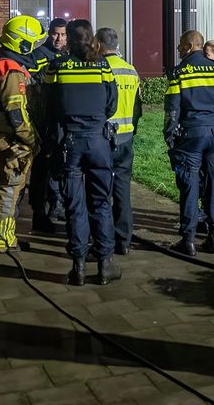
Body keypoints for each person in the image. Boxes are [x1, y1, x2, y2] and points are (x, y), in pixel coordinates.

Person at [44, 19, 119, 285]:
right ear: (91, 39)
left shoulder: (58, 66)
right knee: (100, 203)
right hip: (99, 141)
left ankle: (78, 267)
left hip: (70, 142)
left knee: (75, 206)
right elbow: (112, 104)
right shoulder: (103, 65)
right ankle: (105, 265)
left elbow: (47, 105)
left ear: (69, 40)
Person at [163, 30, 214, 256]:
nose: (178, 49)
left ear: (191, 45)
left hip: (190, 135)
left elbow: (172, 109)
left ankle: (189, 240)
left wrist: (170, 136)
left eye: (181, 45)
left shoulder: (180, 72)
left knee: (190, 185)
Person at [0, 15, 46, 254]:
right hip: (10, 137)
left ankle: (6, 235)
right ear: (22, 43)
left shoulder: (6, 61)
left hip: (4, 133)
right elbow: (15, 111)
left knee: (10, 185)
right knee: (9, 187)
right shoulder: (10, 67)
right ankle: (1, 238)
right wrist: (31, 139)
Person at [96, 27, 141, 255]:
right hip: (126, 137)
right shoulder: (131, 70)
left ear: (99, 45)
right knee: (122, 190)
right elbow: (137, 108)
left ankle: (103, 238)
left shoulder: (101, 69)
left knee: (101, 191)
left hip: (104, 138)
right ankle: (124, 240)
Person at [28, 17, 69, 233]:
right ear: (48, 34)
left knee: (59, 166)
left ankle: (57, 204)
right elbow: (29, 85)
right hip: (42, 122)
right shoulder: (37, 56)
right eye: (56, 34)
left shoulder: (67, 56)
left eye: (63, 34)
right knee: (41, 169)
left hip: (60, 123)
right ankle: (39, 211)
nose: (59, 38)